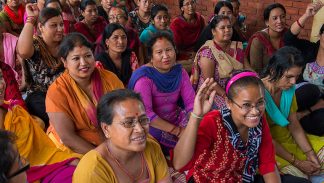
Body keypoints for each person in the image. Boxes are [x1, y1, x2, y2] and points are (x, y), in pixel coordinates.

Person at [173, 71, 283, 182]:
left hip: (240, 177)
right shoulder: (213, 122)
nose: (255, 111)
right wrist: (196, 116)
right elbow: (179, 164)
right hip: (207, 178)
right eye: (246, 105)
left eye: (260, 102)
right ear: (228, 103)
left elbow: (267, 162)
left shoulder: (258, 121)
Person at [0, 61, 80, 183]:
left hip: (44, 169)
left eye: (1, 77)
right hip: (18, 177)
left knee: (84, 172)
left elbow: (45, 150)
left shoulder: (16, 113)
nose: (1, 85)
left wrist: (69, 161)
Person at [46, 33, 124, 155]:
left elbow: (124, 112)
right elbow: (67, 137)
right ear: (64, 62)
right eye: (76, 58)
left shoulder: (110, 78)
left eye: (88, 56)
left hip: (111, 138)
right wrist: (102, 156)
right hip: (74, 147)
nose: (83, 63)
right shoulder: (57, 91)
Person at [73, 89, 172, 183]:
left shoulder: (152, 147)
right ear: (106, 129)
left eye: (143, 120)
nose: (140, 129)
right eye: (128, 122)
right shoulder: (92, 169)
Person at [261, 46, 324, 181]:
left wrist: (310, 154)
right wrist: (298, 163)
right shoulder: (257, 94)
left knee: (317, 160)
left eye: (296, 77)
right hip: (270, 148)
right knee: (300, 178)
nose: (294, 82)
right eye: (289, 77)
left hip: (289, 140)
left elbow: (294, 125)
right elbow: (264, 139)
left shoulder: (288, 90)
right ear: (273, 71)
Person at [128, 32, 195, 153]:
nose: (166, 56)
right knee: (180, 146)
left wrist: (193, 123)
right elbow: (146, 113)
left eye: (169, 50)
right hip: (154, 124)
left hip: (176, 116)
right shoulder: (144, 79)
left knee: (200, 132)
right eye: (159, 52)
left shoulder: (180, 72)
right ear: (151, 56)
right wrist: (178, 131)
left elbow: (191, 103)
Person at [17, 6, 65, 127]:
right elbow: (22, 51)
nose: (60, 29)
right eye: (54, 25)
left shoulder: (67, 44)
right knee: (54, 117)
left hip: (65, 92)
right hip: (40, 95)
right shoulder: (36, 44)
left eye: (61, 24)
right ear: (40, 27)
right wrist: (31, 19)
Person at [283, 2, 324, 136]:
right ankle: (285, 115)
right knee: (310, 90)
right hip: (295, 96)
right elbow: (289, 38)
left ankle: (294, 120)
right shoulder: (308, 49)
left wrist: (302, 114)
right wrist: (307, 15)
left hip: (314, 107)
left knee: (321, 122)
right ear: (320, 35)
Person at [191, 15, 244, 110]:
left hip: (235, 87)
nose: (227, 30)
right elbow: (210, 81)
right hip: (214, 91)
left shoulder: (236, 47)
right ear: (213, 31)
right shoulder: (208, 52)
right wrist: (226, 95)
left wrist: (256, 79)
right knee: (232, 109)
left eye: (229, 27)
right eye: (222, 28)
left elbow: (246, 67)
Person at [245, 3, 287, 74]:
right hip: (263, 79)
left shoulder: (287, 35)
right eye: (275, 18)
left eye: (282, 17)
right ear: (267, 22)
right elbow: (256, 70)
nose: (279, 21)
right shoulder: (258, 40)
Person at [170, 0, 205, 72]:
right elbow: (175, 48)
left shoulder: (200, 19)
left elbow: (204, 39)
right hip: (182, 55)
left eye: (192, 2)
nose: (191, 6)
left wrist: (197, 52)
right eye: (187, 4)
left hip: (199, 52)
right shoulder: (176, 24)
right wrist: (190, 54)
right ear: (182, 8)